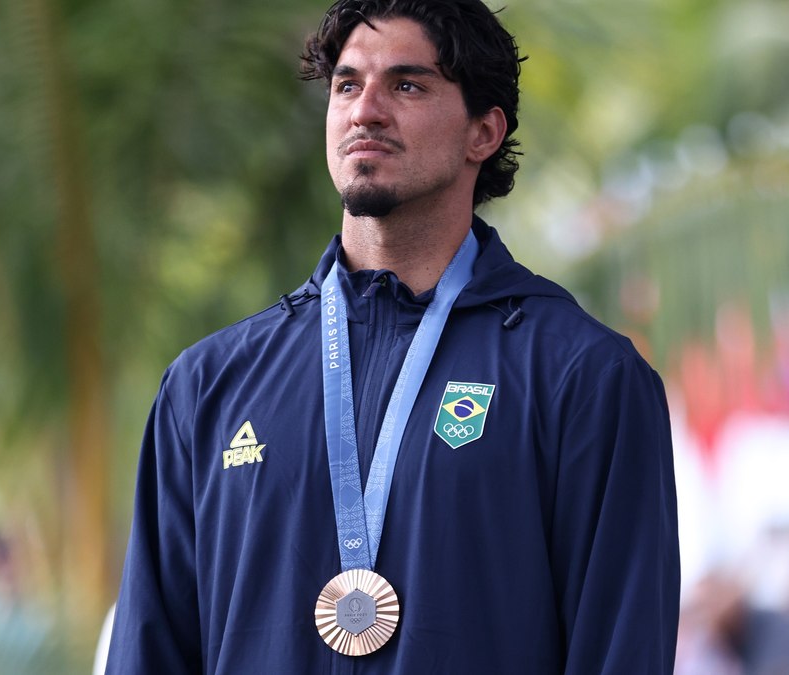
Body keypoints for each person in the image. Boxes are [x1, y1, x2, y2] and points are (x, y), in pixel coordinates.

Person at [105, 0, 680, 672]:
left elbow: (621, 650)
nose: (365, 110)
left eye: (407, 85)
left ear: (483, 133)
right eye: (348, 85)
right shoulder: (207, 387)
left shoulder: (581, 376)